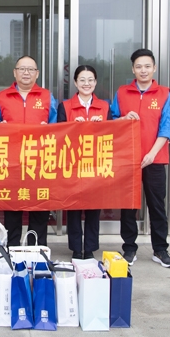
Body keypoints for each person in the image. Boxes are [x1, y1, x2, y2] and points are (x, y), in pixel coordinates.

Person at [111, 48, 170, 268]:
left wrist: (152, 153)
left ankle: (160, 249)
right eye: (139, 66)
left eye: (147, 66)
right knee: (128, 205)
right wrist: (123, 118)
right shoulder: (122, 92)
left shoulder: (164, 93)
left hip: (154, 158)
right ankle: (129, 248)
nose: (143, 70)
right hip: (128, 159)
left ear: (154, 68)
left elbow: (166, 127)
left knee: (157, 205)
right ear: (133, 69)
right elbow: (111, 120)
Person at [0, 55, 57, 246]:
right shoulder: (2, 96)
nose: (26, 73)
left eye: (30, 69)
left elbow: (57, 126)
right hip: (11, 162)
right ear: (15, 72)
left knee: (39, 207)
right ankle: (12, 249)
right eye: (22, 69)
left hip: (39, 162)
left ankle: (36, 249)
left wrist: (48, 129)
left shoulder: (47, 96)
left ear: (37, 74)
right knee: (12, 208)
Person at [57, 65, 112, 260]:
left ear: (95, 82)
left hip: (95, 165)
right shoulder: (65, 106)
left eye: (90, 80)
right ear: (75, 82)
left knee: (93, 209)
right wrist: (73, 127)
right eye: (82, 80)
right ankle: (75, 249)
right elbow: (59, 135)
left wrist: (101, 127)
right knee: (73, 209)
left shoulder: (105, 107)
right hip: (72, 165)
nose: (86, 83)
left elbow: (112, 135)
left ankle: (89, 249)